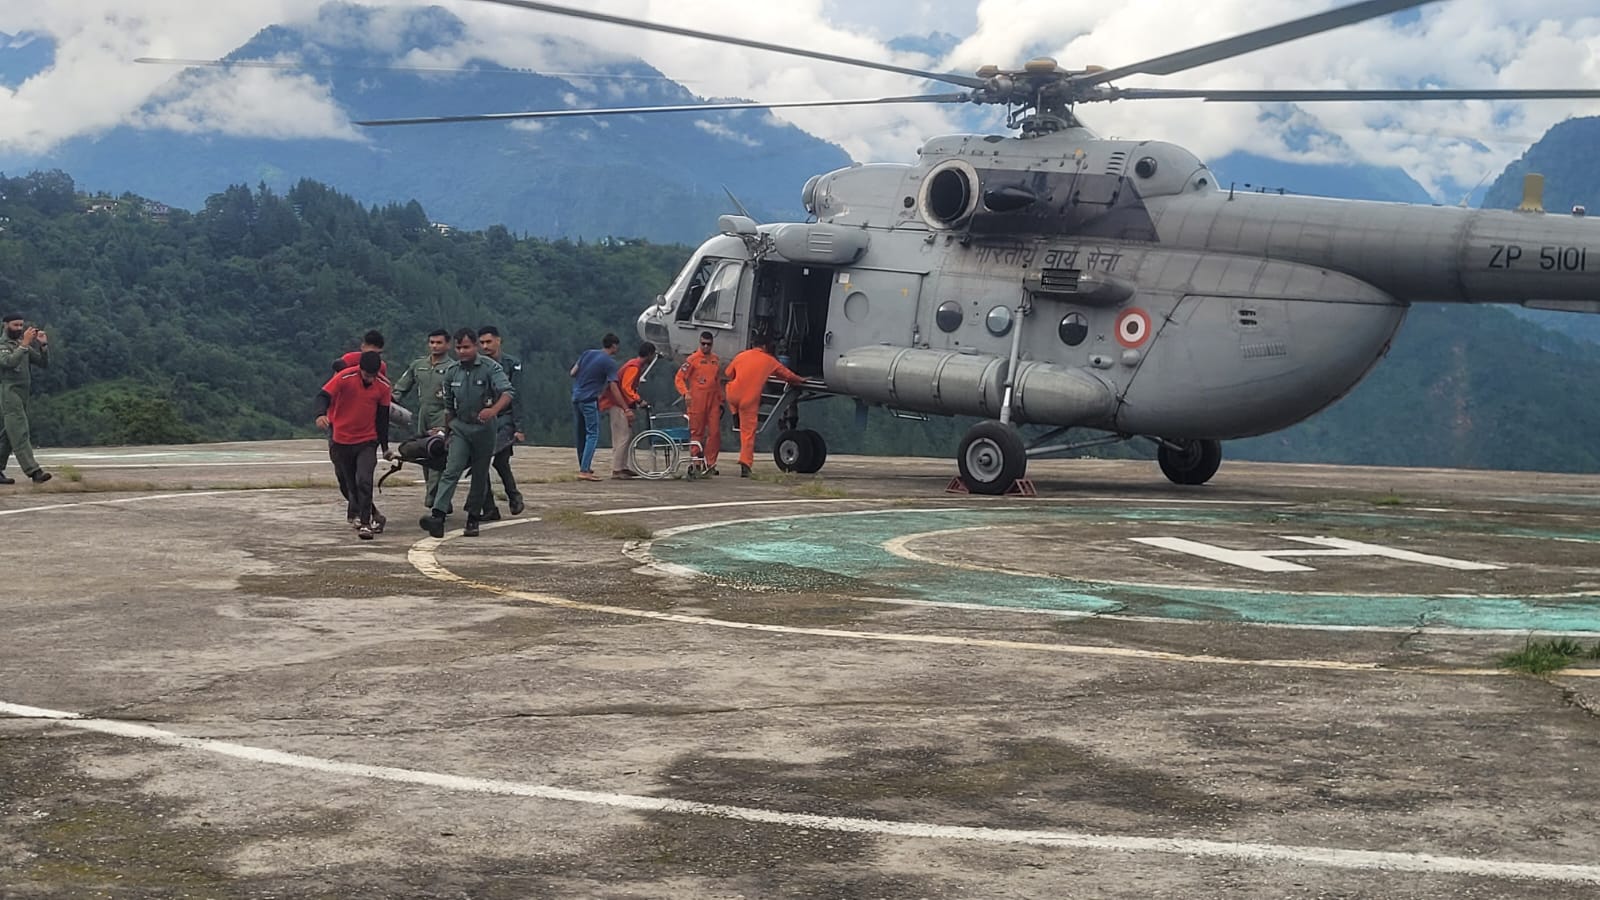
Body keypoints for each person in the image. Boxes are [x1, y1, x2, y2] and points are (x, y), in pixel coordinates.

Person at [419, 329, 514, 538]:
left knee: (479, 474)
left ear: (475, 347)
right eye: (459, 347)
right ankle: (438, 515)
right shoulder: (452, 372)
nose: (462, 351)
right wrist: (448, 429)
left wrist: (493, 411)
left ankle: (473, 518)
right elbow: (448, 405)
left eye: (467, 347)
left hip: (484, 430)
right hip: (460, 427)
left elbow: (508, 392)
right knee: (451, 470)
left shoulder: (490, 368)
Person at [315, 351, 391, 539]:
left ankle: (366, 524)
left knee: (364, 480)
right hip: (342, 440)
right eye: (366, 375)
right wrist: (320, 414)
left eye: (373, 376)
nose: (370, 379)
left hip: (367, 440)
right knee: (350, 484)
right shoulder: (345, 377)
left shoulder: (382, 386)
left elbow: (383, 418)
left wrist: (385, 446)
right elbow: (322, 395)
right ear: (360, 370)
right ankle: (374, 516)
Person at [723, 338, 807, 477]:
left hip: (733, 395)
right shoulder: (769, 360)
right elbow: (787, 375)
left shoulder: (741, 355)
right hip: (749, 400)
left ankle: (734, 414)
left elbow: (728, 374)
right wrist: (800, 380)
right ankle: (745, 463)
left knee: (728, 389)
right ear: (765, 347)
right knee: (747, 434)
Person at [391, 329, 455, 512]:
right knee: (422, 455)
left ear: (447, 345)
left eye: (439, 343)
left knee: (437, 455)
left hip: (442, 415)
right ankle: (437, 496)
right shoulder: (418, 365)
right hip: (423, 415)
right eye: (432, 342)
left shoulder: (453, 368)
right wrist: (389, 403)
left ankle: (435, 499)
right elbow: (402, 388)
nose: (435, 346)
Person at [475, 326, 525, 519]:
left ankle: (512, 497)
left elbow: (517, 395)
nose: (485, 346)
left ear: (498, 340)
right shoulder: (477, 365)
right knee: (485, 463)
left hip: (505, 419)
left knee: (497, 460)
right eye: (482, 343)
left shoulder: (512, 364)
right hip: (483, 420)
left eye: (489, 342)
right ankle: (491, 506)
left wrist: (519, 427)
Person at [569, 333, 631, 482]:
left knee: (581, 435)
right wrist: (625, 407)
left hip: (576, 397)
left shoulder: (587, 353)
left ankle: (584, 466)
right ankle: (585, 471)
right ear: (614, 346)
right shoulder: (609, 362)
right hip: (589, 399)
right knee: (592, 434)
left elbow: (573, 372)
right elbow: (613, 386)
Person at [0, 313, 51, 485]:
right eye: (15, 325)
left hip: (23, 395)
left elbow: (42, 364)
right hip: (9, 393)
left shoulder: (22, 345)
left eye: (21, 325)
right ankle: (34, 471)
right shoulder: (3, 345)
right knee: (20, 431)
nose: (20, 328)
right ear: (5, 325)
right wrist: (25, 344)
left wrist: (43, 345)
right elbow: (9, 363)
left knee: (8, 434)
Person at [602, 341, 654, 478]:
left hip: (620, 404)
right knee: (623, 436)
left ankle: (623, 466)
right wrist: (638, 400)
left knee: (626, 435)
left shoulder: (633, 364)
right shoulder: (634, 367)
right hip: (618, 405)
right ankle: (617, 469)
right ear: (649, 354)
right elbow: (626, 387)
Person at [674, 330, 723, 474]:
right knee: (697, 432)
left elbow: (717, 381)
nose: (706, 347)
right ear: (699, 343)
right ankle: (696, 462)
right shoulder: (692, 360)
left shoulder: (715, 360)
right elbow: (679, 378)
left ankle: (711, 464)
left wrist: (721, 400)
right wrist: (685, 393)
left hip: (713, 400)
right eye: (703, 344)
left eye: (709, 344)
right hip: (697, 400)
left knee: (714, 433)